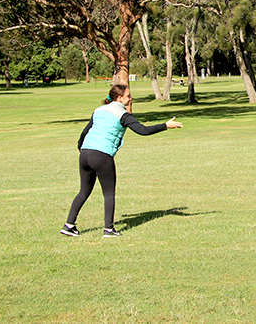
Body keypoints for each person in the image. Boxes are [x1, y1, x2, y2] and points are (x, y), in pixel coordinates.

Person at [61, 84, 183, 238]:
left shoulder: (99, 110)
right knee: (109, 194)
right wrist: (165, 125)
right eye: (128, 96)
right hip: (101, 155)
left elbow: (85, 131)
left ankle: (69, 225)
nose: (131, 98)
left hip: (85, 154)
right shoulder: (123, 114)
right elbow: (143, 131)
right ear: (119, 98)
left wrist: (80, 147)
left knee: (84, 191)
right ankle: (109, 230)